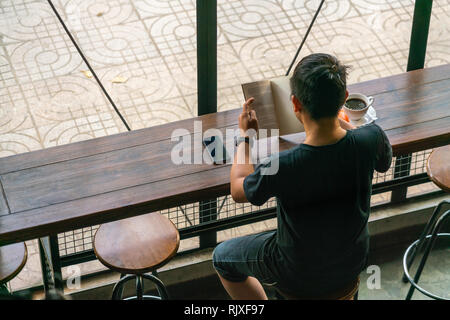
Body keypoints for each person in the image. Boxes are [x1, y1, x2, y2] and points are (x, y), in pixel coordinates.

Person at [212, 53, 393, 299]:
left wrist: (245, 137)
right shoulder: (371, 138)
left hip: (297, 274)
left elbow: (237, 188)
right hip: (351, 262)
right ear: (344, 98)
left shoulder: (284, 165)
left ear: (296, 104)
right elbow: (383, 162)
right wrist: (341, 122)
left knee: (222, 258)